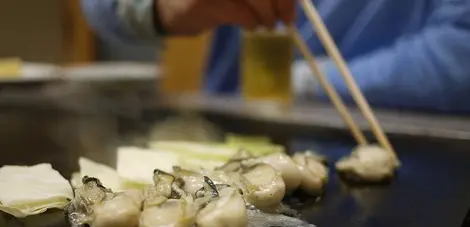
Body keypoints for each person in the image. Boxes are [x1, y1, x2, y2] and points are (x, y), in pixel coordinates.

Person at [81, 0, 470, 114]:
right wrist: (157, 6)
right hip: (230, 143)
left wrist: (300, 82)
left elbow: (460, 55)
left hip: (403, 148)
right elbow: (97, 7)